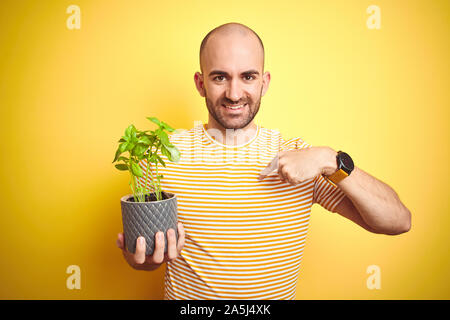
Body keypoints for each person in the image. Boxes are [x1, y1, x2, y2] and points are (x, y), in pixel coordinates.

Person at [116, 22, 411, 300]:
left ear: (264, 82)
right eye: (220, 77)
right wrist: (140, 258)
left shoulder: (303, 159)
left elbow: (397, 221)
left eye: (248, 76)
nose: (234, 94)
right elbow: (143, 258)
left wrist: (329, 159)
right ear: (200, 82)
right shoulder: (159, 154)